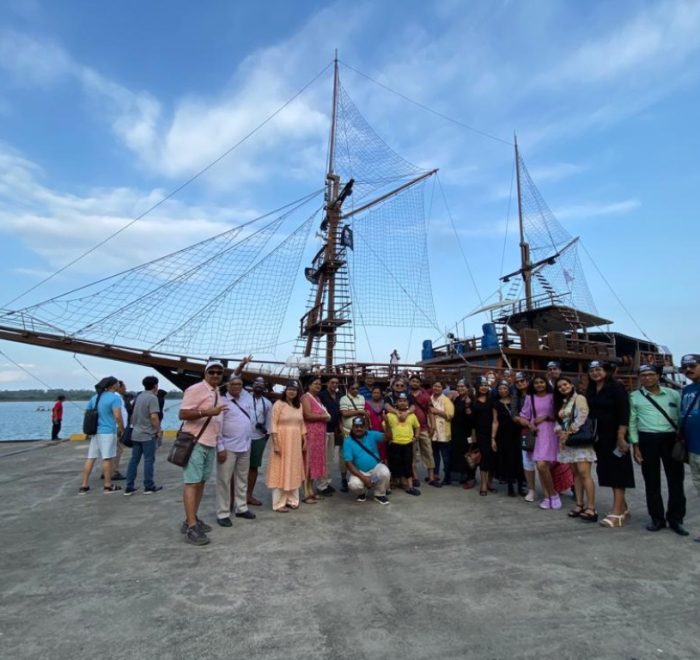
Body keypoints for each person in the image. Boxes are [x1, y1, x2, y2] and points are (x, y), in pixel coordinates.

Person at [629, 365, 686, 535]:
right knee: (651, 481)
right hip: (647, 439)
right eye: (643, 375)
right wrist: (635, 445)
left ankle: (676, 519)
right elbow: (632, 422)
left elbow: (682, 417)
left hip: (670, 439)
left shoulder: (673, 394)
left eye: (650, 374)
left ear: (659, 376)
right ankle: (657, 518)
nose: (646, 378)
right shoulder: (634, 396)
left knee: (676, 480)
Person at [178, 361, 226, 546]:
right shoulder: (196, 389)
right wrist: (206, 412)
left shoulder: (216, 391)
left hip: (209, 442)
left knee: (201, 482)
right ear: (205, 373)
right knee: (192, 483)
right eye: (211, 372)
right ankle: (191, 527)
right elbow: (182, 413)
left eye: (218, 372)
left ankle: (192, 519)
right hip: (195, 442)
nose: (215, 375)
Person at [586, 360, 633, 529]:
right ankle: (624, 508)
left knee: (617, 472)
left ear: (606, 371)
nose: (595, 373)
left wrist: (621, 436)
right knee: (606, 472)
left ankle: (617, 512)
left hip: (615, 436)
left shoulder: (616, 387)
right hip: (599, 438)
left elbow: (624, 412)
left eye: (598, 370)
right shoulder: (591, 390)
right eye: (592, 371)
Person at [554, 376, 597, 522]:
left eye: (565, 384)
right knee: (576, 475)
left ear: (571, 385)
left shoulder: (579, 398)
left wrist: (568, 432)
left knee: (585, 474)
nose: (563, 388)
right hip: (569, 441)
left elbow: (582, 416)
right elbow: (561, 421)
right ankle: (579, 504)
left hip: (578, 439)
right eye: (560, 387)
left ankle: (591, 508)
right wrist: (560, 431)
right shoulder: (564, 402)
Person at [216, 376, 256, 527]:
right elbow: (217, 426)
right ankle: (223, 512)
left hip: (245, 445)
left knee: (242, 478)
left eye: (239, 384)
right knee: (224, 481)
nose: (237, 387)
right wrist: (220, 448)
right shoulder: (222, 401)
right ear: (227, 386)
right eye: (233, 384)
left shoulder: (245, 399)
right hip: (228, 447)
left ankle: (241, 507)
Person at [517, 376, 560, 509]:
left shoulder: (553, 396)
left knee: (543, 465)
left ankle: (553, 494)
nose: (539, 385)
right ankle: (548, 496)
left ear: (546, 383)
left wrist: (546, 417)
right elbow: (523, 415)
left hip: (552, 432)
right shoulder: (530, 398)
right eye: (536, 383)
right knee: (541, 466)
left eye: (541, 382)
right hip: (537, 434)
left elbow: (560, 414)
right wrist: (530, 424)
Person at [79, 377, 124, 494]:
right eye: (117, 383)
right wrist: (121, 428)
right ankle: (108, 485)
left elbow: (86, 412)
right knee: (107, 458)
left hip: (95, 432)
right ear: (113, 385)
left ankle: (84, 485)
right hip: (108, 432)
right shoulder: (115, 398)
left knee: (91, 457)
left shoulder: (95, 398)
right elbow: (118, 416)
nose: (119, 384)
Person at [266, 380, 307, 512]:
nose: (292, 392)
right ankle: (279, 503)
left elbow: (301, 424)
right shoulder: (279, 404)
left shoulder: (299, 405)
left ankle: (292, 499)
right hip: (282, 440)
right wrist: (276, 443)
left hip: (295, 442)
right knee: (281, 469)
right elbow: (273, 424)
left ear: (297, 392)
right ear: (285, 390)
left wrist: (304, 439)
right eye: (289, 389)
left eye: (294, 390)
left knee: (293, 468)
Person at [124, 375, 162, 496]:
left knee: (134, 460)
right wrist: (158, 430)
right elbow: (154, 416)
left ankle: (129, 487)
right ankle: (149, 486)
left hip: (136, 433)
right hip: (147, 434)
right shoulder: (152, 398)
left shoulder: (139, 396)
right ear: (156, 386)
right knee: (149, 460)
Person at [343, 416, 391, 504]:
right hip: (360, 472)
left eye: (361, 426)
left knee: (385, 472)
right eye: (356, 426)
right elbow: (348, 464)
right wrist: (364, 478)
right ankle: (362, 492)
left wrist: (387, 423)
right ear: (352, 427)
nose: (359, 428)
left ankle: (379, 494)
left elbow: (388, 437)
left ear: (365, 427)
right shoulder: (347, 442)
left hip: (375, 473)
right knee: (354, 485)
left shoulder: (372, 434)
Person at [678, 354, 700, 542]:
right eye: (685, 367)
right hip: (693, 447)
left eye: (692, 366)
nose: (688, 370)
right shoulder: (687, 390)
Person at [301, 377, 331, 504]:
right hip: (311, 434)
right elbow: (307, 415)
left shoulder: (318, 399)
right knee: (308, 462)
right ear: (309, 385)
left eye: (319, 384)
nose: (318, 385)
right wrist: (324, 417)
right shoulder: (305, 398)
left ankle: (311, 490)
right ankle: (305, 492)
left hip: (319, 435)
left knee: (314, 462)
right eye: (315, 383)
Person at [495, 380, 525, 497]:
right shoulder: (496, 403)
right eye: (500, 389)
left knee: (519, 459)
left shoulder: (515, 401)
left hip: (517, 432)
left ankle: (521, 486)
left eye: (505, 388)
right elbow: (495, 421)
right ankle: (510, 487)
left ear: (509, 389)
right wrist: (493, 437)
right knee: (508, 460)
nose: (503, 390)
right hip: (503, 434)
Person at [386, 393, 420, 495]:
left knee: (408, 465)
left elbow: (417, 426)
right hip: (394, 444)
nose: (402, 402)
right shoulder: (390, 415)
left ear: (408, 403)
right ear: (396, 403)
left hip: (407, 444)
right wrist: (389, 438)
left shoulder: (412, 415)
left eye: (404, 401)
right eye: (400, 401)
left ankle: (410, 487)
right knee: (392, 465)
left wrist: (416, 436)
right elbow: (385, 428)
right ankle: (387, 487)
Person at [406, 376, 437, 487]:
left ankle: (431, 477)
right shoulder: (405, 395)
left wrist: (433, 425)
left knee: (428, 452)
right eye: (413, 381)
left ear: (420, 383)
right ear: (410, 382)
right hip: (409, 429)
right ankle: (415, 477)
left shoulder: (425, 395)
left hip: (424, 428)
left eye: (417, 381)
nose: (415, 383)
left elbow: (430, 411)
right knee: (412, 454)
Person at [470, 377, 498, 496]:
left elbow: (495, 420)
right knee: (484, 457)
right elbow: (471, 421)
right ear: (477, 386)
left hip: (492, 432)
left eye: (486, 385)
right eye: (482, 385)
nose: (484, 387)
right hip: (479, 433)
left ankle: (489, 482)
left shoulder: (492, 401)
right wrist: (473, 436)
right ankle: (483, 484)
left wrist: (493, 437)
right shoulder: (473, 402)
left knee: (492, 458)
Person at [246, 377, 272, 506]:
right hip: (243, 437)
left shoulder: (267, 403)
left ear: (265, 388)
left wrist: (266, 435)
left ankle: (248, 495)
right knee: (237, 468)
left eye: (262, 384)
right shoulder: (244, 398)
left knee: (253, 467)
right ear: (252, 385)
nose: (259, 386)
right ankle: (234, 496)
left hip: (258, 438)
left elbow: (269, 422)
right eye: (256, 383)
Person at [339, 382, 368, 492]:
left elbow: (364, 413)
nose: (355, 390)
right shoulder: (344, 399)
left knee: (359, 455)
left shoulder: (362, 398)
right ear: (348, 388)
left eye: (357, 388)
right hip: (348, 432)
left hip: (360, 431)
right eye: (353, 388)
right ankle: (344, 480)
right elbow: (344, 413)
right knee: (345, 456)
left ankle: (360, 478)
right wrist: (359, 411)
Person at [317, 377, 343, 496]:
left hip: (333, 430)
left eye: (336, 383)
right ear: (327, 383)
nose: (334, 384)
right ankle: (321, 486)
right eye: (332, 382)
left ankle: (326, 482)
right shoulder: (322, 395)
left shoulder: (339, 396)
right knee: (323, 458)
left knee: (330, 458)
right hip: (323, 430)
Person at [428, 381, 454, 485]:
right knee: (434, 455)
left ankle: (447, 477)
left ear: (442, 388)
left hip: (444, 433)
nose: (436, 388)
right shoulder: (429, 399)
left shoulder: (446, 400)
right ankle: (435, 475)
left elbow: (450, 415)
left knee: (445, 456)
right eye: (435, 386)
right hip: (432, 432)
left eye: (439, 386)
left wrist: (437, 411)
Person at [450, 380, 475, 488]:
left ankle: (471, 478)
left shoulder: (471, 401)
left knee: (468, 454)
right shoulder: (457, 399)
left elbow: (472, 419)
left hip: (467, 432)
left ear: (468, 388)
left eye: (463, 386)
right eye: (458, 386)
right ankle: (463, 477)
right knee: (459, 455)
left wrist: (468, 407)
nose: (460, 388)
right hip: (457, 432)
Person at [365, 386, 387, 461]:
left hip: (383, 430)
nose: (376, 394)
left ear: (381, 394)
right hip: (371, 430)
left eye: (378, 393)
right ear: (371, 394)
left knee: (383, 450)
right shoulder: (367, 403)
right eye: (374, 392)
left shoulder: (385, 403)